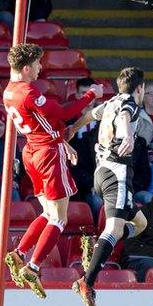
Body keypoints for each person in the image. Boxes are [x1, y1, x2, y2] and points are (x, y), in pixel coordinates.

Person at [2, 43, 103, 299]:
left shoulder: (8, 91)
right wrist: (91, 95)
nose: (39, 69)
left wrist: (63, 142)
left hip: (32, 153)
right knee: (59, 218)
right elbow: (64, 112)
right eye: (37, 64)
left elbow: (43, 124)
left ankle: (19, 252)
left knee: (48, 213)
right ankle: (33, 267)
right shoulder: (28, 91)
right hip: (47, 155)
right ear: (26, 68)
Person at [68, 67, 148, 306]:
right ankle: (87, 281)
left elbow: (91, 115)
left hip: (101, 175)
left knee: (141, 223)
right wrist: (128, 137)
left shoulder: (111, 102)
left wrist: (72, 129)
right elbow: (125, 116)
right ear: (140, 88)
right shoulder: (129, 104)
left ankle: (98, 246)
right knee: (113, 228)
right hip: (117, 174)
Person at [68, 77, 103, 219]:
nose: (88, 99)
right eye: (84, 93)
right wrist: (91, 183)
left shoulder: (105, 121)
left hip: (102, 180)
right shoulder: (68, 121)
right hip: (78, 182)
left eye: (91, 94)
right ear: (77, 95)